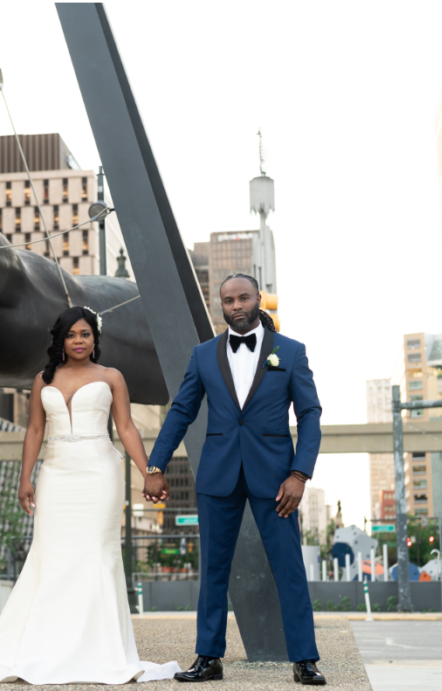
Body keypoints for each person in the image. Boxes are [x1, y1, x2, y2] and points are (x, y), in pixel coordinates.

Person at [0, 306, 181, 684]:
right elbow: (33, 431)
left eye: (85, 334)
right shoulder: (42, 380)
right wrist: (24, 478)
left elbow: (126, 428)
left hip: (100, 472)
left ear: (95, 339)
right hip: (56, 474)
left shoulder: (112, 377)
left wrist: (150, 472)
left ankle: (100, 650)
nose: (79, 341)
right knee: (53, 556)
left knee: (97, 553)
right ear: (60, 340)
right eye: (71, 335)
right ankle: (48, 646)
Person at [143, 274, 326, 686]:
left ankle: (305, 659)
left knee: (289, 568)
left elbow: (310, 415)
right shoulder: (203, 355)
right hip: (218, 474)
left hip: (277, 479)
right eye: (228, 301)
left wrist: (299, 473)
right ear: (220, 306)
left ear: (258, 299)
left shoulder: (291, 352)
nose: (236, 306)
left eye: (243, 298)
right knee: (213, 570)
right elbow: (181, 412)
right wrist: (156, 465)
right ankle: (208, 658)